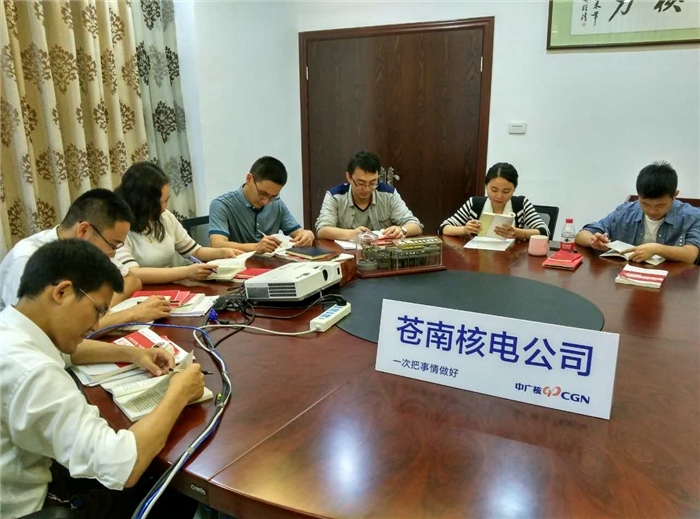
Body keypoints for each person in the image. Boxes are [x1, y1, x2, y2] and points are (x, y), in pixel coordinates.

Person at [0, 239, 205, 518]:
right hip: (31, 508)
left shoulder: (12, 329)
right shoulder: (34, 372)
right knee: (169, 484)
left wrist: (133, 353)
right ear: (61, 292)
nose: (96, 325)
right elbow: (123, 465)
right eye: (97, 310)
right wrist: (179, 393)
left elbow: (69, 353)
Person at [0, 188, 171, 327]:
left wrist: (98, 308)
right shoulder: (27, 260)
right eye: (112, 245)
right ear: (84, 230)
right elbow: (48, 334)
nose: (113, 254)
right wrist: (130, 314)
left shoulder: (89, 247)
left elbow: (132, 280)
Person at [115, 162, 241, 283]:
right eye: (159, 203)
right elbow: (133, 273)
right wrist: (187, 272)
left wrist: (222, 252)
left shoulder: (165, 217)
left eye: (166, 200)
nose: (164, 207)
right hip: (140, 292)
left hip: (169, 288)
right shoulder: (119, 226)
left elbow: (194, 251)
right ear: (140, 201)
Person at [576, 161, 700, 264]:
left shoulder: (692, 217)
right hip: (627, 277)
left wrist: (656, 249)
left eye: (660, 205)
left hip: (672, 280)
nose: (652, 211)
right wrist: (593, 241)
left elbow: (691, 254)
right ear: (638, 195)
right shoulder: (625, 212)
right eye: (645, 204)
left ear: (675, 195)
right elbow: (581, 235)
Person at [209, 156, 315, 254]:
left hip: (271, 264)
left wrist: (307, 235)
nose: (266, 201)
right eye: (263, 194)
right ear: (249, 179)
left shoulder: (277, 204)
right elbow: (217, 245)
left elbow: (298, 233)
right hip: (237, 265)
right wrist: (256, 247)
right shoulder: (222, 205)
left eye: (273, 196)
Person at [315, 151, 423, 240]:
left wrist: (402, 230)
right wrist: (352, 234)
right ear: (349, 177)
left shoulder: (388, 194)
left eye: (372, 183)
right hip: (348, 255)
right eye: (361, 183)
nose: (367, 189)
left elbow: (416, 225)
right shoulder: (335, 196)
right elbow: (322, 230)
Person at [439, 162, 549, 239]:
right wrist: (464, 230)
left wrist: (519, 233)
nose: (499, 196)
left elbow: (545, 232)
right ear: (486, 186)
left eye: (506, 191)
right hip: (477, 258)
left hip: (512, 258)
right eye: (494, 190)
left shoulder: (521, 204)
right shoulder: (474, 204)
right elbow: (443, 228)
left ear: (514, 189)